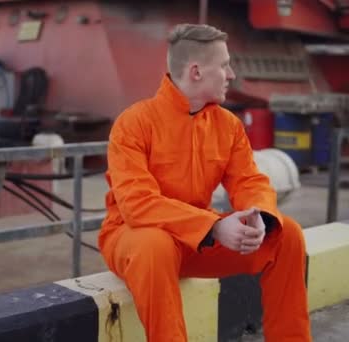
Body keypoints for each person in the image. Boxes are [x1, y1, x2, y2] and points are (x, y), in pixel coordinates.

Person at [98, 23, 311, 342]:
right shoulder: (134, 124)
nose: (231, 74)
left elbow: (249, 181)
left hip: (196, 240)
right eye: (224, 65)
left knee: (286, 233)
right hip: (132, 237)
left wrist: (259, 216)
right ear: (196, 71)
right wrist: (213, 227)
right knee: (153, 244)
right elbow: (137, 204)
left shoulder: (228, 126)